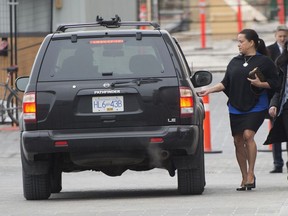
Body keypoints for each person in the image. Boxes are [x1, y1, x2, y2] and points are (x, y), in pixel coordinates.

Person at [198, 29, 279, 191]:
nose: (238, 45)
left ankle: (251, 173)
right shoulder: (234, 61)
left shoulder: (264, 61)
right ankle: (243, 176)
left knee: (249, 135)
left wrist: (261, 84)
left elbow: (276, 83)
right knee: (237, 141)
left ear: (251, 43)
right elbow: (225, 83)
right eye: (238, 41)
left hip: (257, 104)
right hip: (235, 106)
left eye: (241, 41)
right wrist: (209, 90)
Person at [266, 25, 288, 173]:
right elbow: (279, 88)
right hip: (282, 103)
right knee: (278, 133)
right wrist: (274, 104)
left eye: (284, 36)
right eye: (280, 36)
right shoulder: (271, 53)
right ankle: (277, 163)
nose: (282, 38)